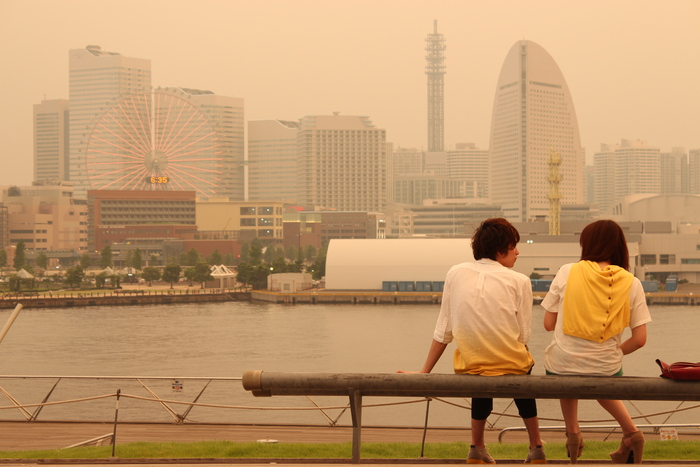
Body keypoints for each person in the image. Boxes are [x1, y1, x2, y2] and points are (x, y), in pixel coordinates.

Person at [399, 218, 546, 464]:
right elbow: (523, 335)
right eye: (514, 246)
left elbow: (444, 329)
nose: (518, 252)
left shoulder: (455, 273)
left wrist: (425, 371)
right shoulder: (519, 281)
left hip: (471, 365)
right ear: (500, 251)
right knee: (521, 369)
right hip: (512, 365)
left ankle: (476, 446)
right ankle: (536, 446)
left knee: (480, 365)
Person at [542, 220, 651, 464]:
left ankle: (573, 432)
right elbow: (640, 340)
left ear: (587, 245)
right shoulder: (632, 282)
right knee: (603, 372)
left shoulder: (567, 271)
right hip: (606, 367)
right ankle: (631, 433)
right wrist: (612, 351)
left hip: (561, 365)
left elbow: (548, 324)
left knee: (564, 365)